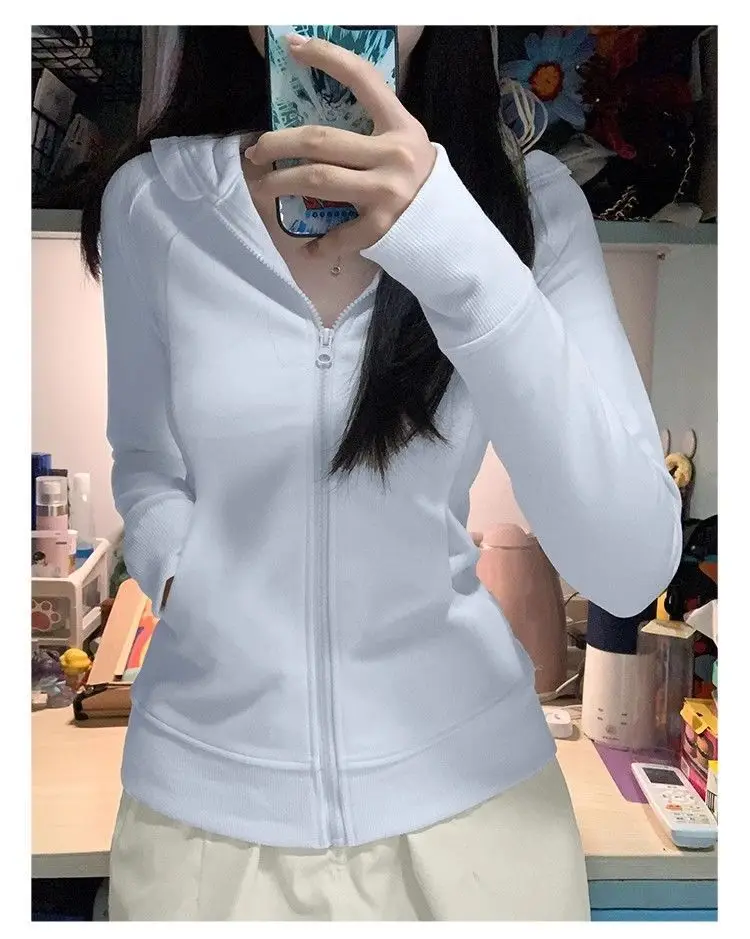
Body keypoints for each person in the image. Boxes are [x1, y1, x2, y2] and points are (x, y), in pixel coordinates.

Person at [80, 26, 682, 921]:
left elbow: (629, 565)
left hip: (479, 820)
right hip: (202, 823)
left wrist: (450, 240)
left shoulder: (527, 204)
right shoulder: (153, 203)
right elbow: (146, 462)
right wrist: (187, 579)